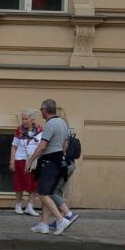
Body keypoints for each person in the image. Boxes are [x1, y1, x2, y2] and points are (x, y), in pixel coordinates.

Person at [26, 99, 78, 236]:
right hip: (59, 161)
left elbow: (42, 146)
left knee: (43, 193)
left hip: (49, 162)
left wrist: (30, 161)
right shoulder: (63, 123)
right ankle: (44, 224)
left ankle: (61, 219)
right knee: (47, 193)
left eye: (41, 110)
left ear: (45, 109)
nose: (41, 112)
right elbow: (65, 145)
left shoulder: (50, 124)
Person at [11, 110, 41, 215]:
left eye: (26, 119)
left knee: (33, 184)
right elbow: (14, 147)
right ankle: (18, 205)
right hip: (21, 159)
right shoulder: (19, 130)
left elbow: (42, 146)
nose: (23, 121)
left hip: (34, 161)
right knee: (19, 182)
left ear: (32, 120)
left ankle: (30, 206)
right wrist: (12, 161)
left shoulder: (41, 130)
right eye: (22, 119)